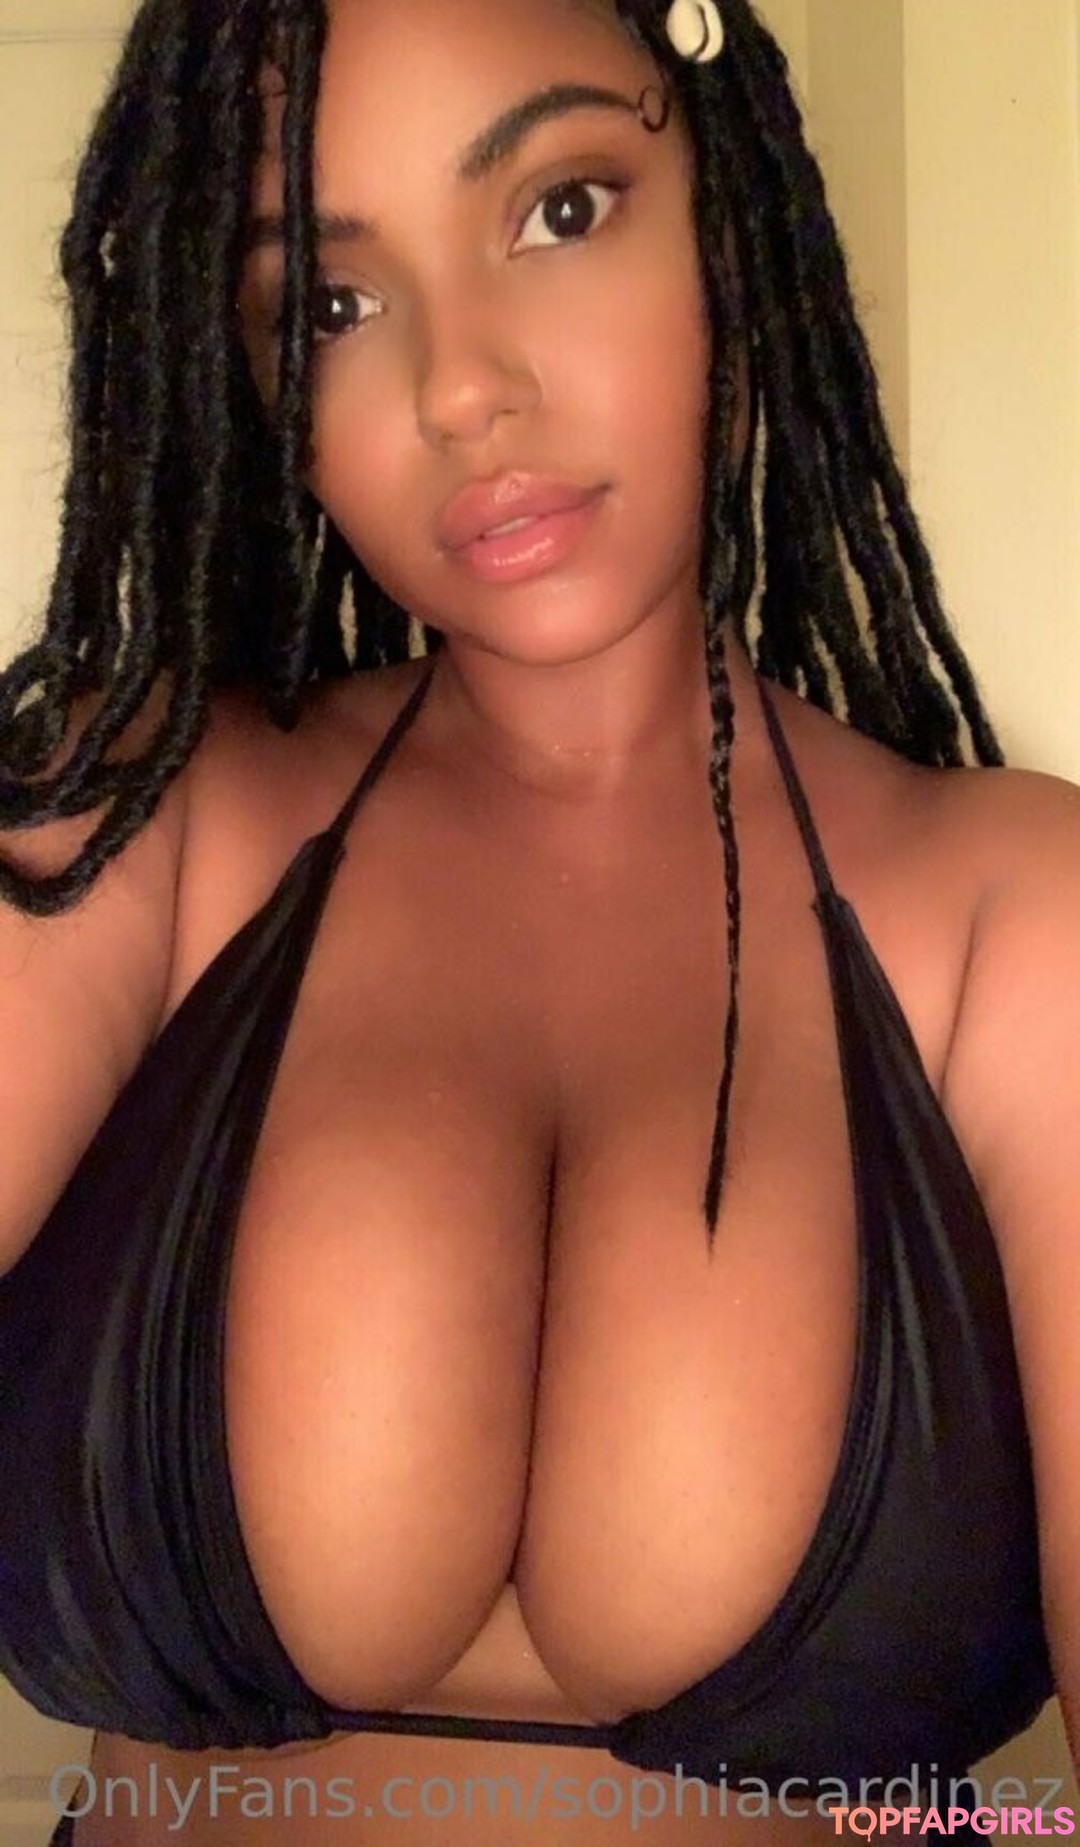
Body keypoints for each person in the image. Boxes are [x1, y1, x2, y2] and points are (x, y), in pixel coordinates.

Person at [0, 0, 1076, 1841]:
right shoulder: (133, 823)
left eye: (561, 209)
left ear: (727, 213)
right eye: (331, 305)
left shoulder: (1017, 924)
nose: (458, 389)